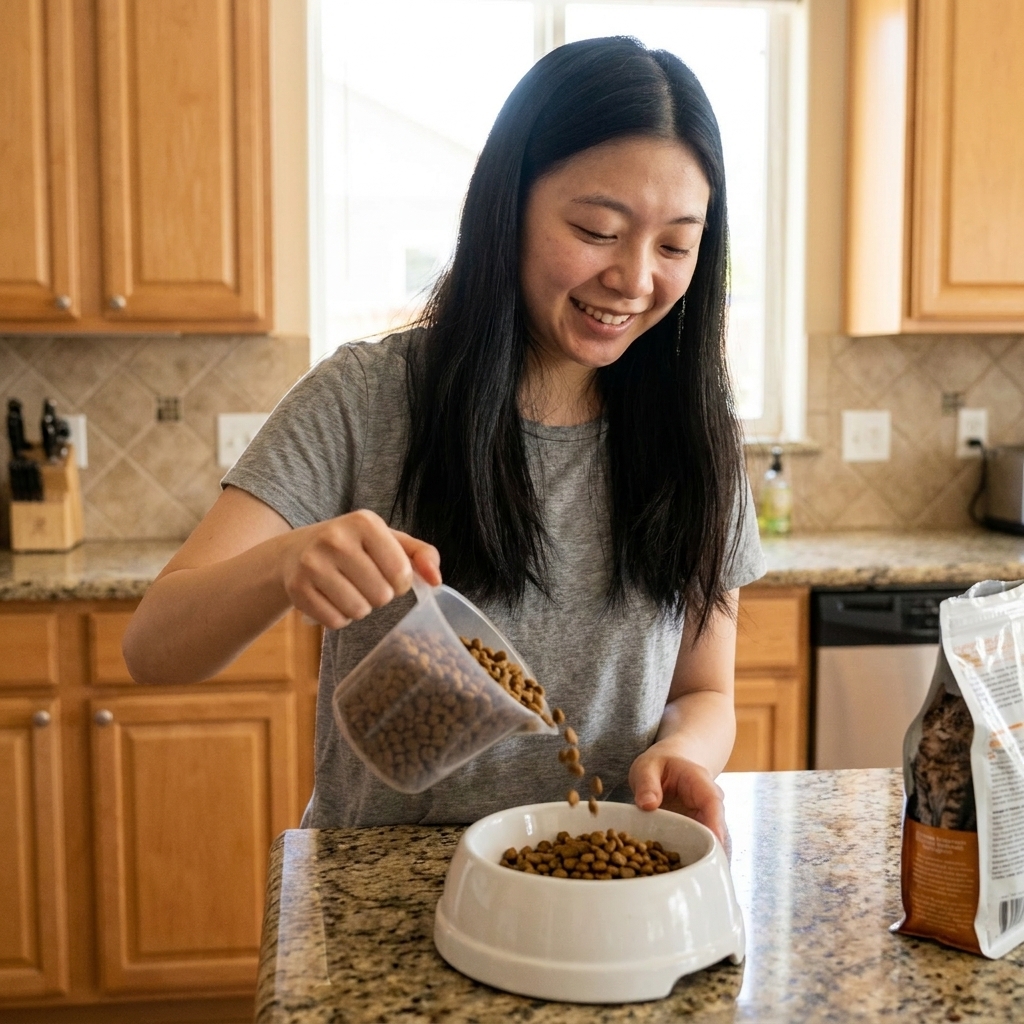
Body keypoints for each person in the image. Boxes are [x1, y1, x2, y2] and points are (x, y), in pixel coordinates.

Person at [123, 36, 765, 845]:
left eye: (676, 244)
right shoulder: (367, 398)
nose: (636, 279)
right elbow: (154, 647)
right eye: (599, 230)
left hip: (601, 881)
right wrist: (284, 565)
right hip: (381, 888)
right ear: (509, 206)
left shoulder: (697, 436)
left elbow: (706, 691)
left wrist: (686, 751)